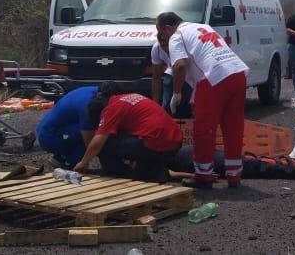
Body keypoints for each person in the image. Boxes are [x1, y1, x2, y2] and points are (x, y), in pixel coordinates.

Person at [157, 12, 249, 188]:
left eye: (162, 33)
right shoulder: (203, 27)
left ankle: (203, 175)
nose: (163, 38)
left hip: (213, 78)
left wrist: (176, 93)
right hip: (237, 72)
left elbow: (180, 65)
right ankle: (234, 175)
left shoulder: (177, 36)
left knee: (204, 128)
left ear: (168, 28)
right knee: (233, 127)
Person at [73, 82, 183, 182]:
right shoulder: (128, 98)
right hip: (172, 143)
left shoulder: (111, 108)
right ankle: (153, 175)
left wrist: (83, 162)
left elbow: (98, 142)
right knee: (144, 174)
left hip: (155, 143)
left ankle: (119, 178)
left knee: (105, 144)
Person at [36, 86, 98, 168]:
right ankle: (71, 165)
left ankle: (61, 157)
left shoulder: (93, 91)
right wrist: (87, 160)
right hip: (49, 136)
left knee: (91, 131)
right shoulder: (88, 105)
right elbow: (89, 141)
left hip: (48, 130)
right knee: (89, 135)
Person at [151, 32, 194, 118]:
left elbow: (181, 67)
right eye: (163, 46)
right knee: (167, 102)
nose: (166, 49)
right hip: (172, 73)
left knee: (190, 104)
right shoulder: (157, 48)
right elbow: (156, 77)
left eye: (168, 45)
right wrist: (155, 106)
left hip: (191, 73)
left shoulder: (185, 46)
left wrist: (177, 93)